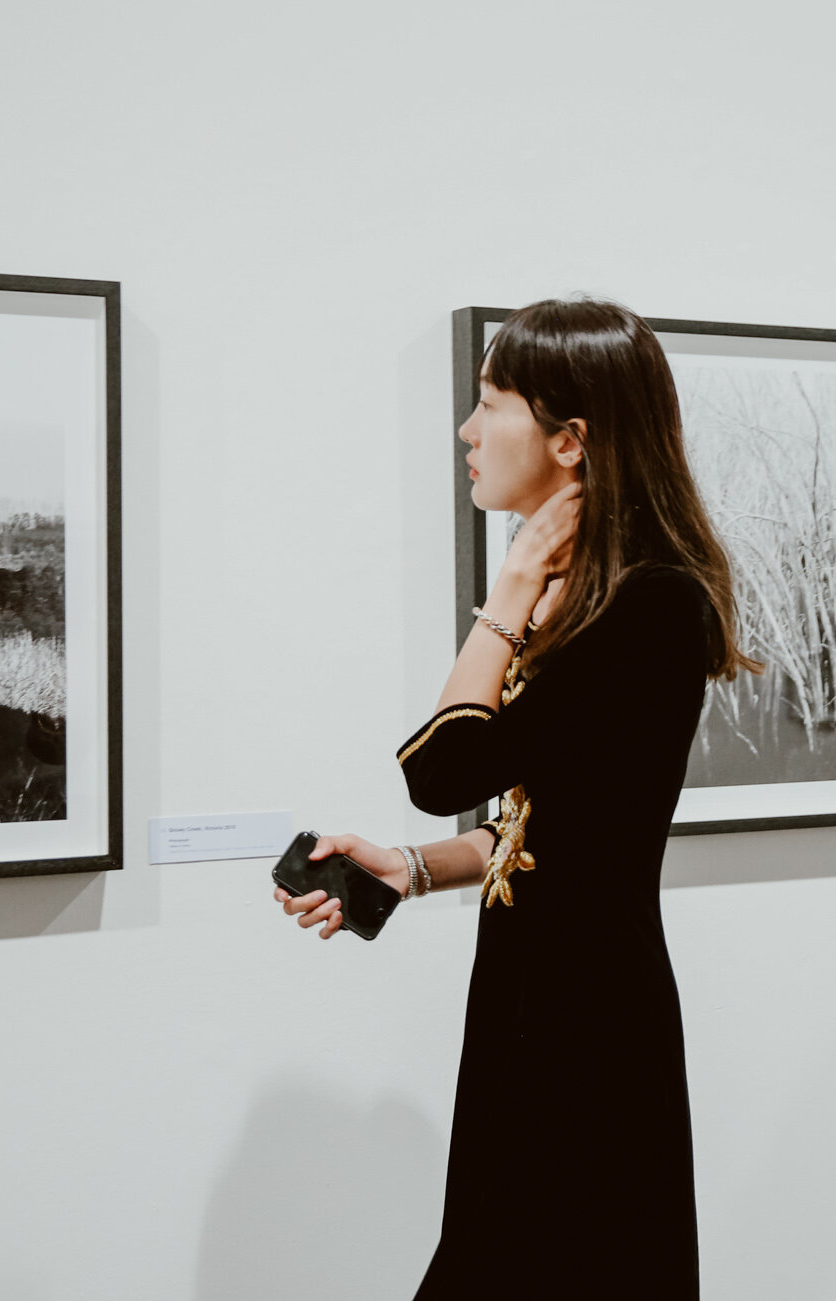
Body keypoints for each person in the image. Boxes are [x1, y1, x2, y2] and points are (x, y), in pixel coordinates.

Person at [274, 296, 762, 1299]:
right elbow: (552, 816)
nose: (466, 428)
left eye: (490, 402)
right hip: (537, 1002)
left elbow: (442, 770)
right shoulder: (597, 597)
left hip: (587, 1022)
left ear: (570, 440)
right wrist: (409, 869)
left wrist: (505, 595)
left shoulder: (650, 602)